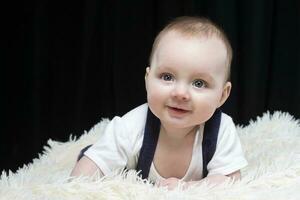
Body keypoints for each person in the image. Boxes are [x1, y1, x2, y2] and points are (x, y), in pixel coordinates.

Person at [70, 16, 248, 190]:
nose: (180, 93)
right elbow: (89, 169)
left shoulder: (220, 130)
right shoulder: (130, 126)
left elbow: (230, 180)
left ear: (222, 96)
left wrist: (186, 187)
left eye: (199, 83)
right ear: (147, 79)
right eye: (167, 77)